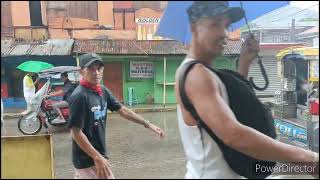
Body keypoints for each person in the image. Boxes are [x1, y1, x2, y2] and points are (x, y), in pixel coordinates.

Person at [174, 1, 319, 179]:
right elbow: (234, 135)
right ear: (194, 27)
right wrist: (309, 158)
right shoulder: (196, 75)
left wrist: (245, 61)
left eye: (226, 25)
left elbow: (233, 104)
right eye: (215, 24)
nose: (224, 33)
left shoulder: (202, 73)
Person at [68, 53, 165, 179]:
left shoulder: (101, 90)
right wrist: (97, 157)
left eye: (99, 68)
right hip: (87, 160)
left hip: (97, 156)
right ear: (81, 71)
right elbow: (76, 133)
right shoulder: (80, 96)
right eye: (91, 69)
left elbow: (123, 110)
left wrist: (147, 124)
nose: (96, 72)